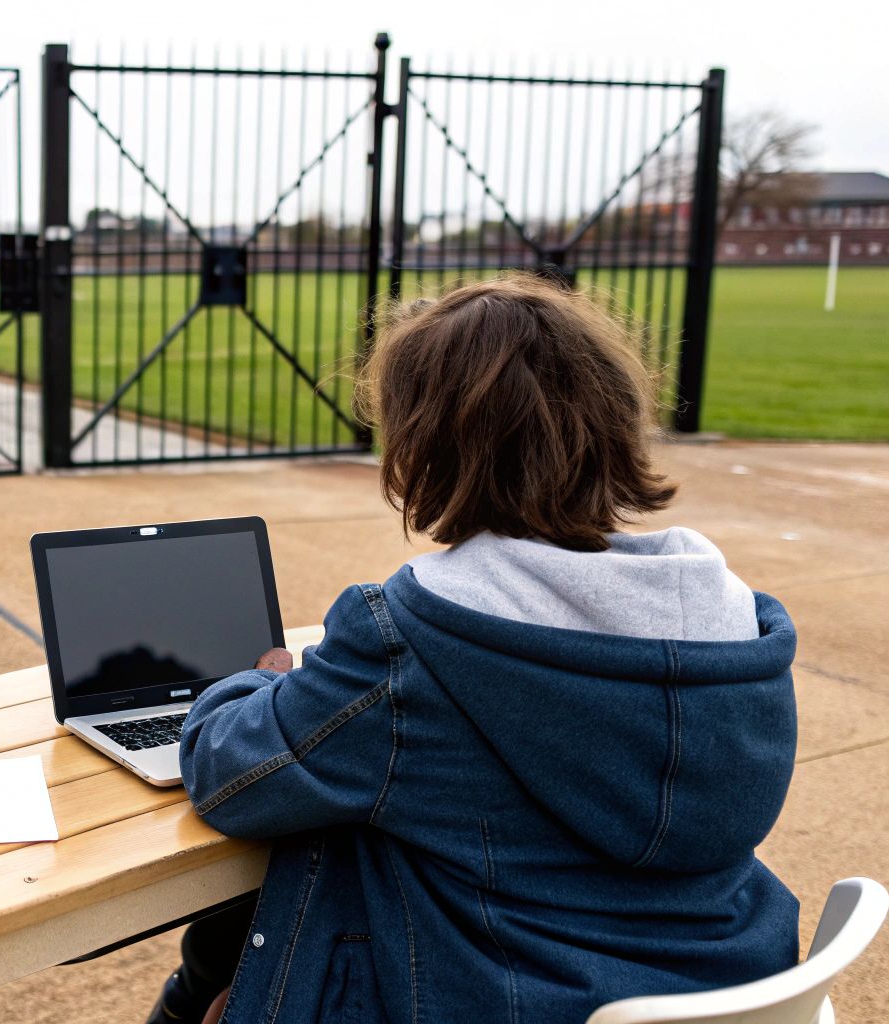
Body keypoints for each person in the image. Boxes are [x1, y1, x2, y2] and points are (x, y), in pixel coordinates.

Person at [146, 274, 800, 1024]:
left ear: (432, 447)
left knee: (224, 977)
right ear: (616, 416)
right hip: (732, 991)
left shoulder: (411, 639)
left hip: (498, 996)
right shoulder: (733, 627)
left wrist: (251, 686)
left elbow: (230, 773)